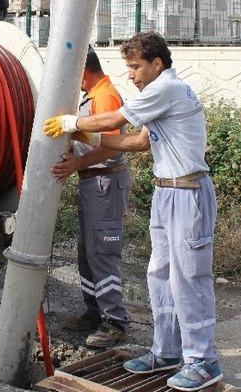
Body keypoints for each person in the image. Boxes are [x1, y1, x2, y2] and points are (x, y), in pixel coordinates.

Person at [43, 32, 222, 391]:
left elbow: (114, 120)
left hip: (188, 193)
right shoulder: (159, 96)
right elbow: (138, 142)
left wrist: (72, 124)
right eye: (128, 67)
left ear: (157, 64)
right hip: (166, 191)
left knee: (189, 278)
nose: (131, 75)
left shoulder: (166, 88)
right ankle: (167, 351)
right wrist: (89, 139)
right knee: (159, 274)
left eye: (136, 67)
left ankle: (204, 360)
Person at [50, 47, 131, 348]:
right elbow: (90, 141)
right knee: (87, 254)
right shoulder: (93, 95)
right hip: (94, 182)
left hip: (104, 183)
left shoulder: (105, 96)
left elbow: (113, 147)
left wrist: (76, 163)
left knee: (102, 253)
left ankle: (115, 322)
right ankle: (94, 311)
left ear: (82, 72)